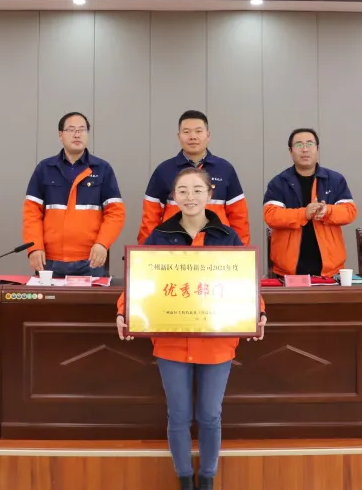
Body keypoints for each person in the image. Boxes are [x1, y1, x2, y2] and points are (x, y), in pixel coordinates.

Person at [117, 167, 266, 490]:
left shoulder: (228, 237)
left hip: (216, 341)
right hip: (172, 339)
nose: (190, 197)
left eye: (197, 190)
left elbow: (245, 280)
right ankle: (185, 478)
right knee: (179, 415)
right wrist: (123, 310)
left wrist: (258, 311)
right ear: (173, 197)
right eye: (182, 191)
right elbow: (140, 278)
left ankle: (208, 478)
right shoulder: (159, 236)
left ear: (210, 194)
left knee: (210, 415)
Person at [23, 111, 125, 277]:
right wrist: (34, 247)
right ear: (60, 135)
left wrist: (102, 244)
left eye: (82, 129)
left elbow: (115, 213)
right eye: (71, 130)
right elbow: (31, 213)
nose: (77, 134)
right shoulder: (45, 169)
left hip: (90, 260)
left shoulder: (102, 169)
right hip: (49, 260)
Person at [139, 110, 250, 245]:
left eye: (198, 131)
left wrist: (241, 251)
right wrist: (145, 252)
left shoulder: (225, 169)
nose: (193, 137)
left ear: (208, 135)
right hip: (172, 246)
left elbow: (239, 216)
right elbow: (150, 217)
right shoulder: (163, 170)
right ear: (179, 136)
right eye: (186, 132)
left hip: (217, 246)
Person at [264, 128, 357, 277]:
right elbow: (271, 216)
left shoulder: (335, 180)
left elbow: (349, 212)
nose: (305, 149)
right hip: (288, 272)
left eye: (310, 144)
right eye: (299, 145)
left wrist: (328, 211)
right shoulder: (279, 182)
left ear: (317, 148)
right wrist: (303, 214)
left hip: (330, 270)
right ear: (290, 151)